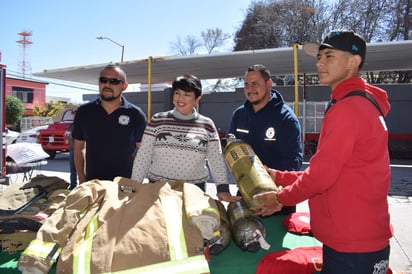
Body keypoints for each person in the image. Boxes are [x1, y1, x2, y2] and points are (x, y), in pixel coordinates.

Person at [251, 30, 392, 273]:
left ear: (353, 62)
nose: (319, 63)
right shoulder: (361, 104)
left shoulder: (348, 109)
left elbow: (321, 177)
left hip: (353, 243)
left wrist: (278, 198)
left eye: (329, 56)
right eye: (319, 57)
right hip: (361, 236)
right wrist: (278, 177)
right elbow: (333, 171)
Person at [131, 74, 240, 203]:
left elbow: (216, 158)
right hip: (158, 191)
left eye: (187, 94)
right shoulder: (157, 120)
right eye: (177, 93)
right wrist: (134, 186)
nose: (180, 98)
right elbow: (144, 155)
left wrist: (223, 189)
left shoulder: (207, 124)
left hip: (193, 193)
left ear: (197, 98)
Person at [227, 64, 303, 215]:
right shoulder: (239, 115)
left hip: (275, 201)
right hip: (245, 196)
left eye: (255, 83)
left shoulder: (285, 118)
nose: (250, 89)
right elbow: (229, 148)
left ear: (269, 84)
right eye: (246, 84)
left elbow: (293, 163)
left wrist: (279, 196)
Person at [72, 64, 147, 183]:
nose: (107, 85)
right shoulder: (84, 112)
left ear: (124, 86)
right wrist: (81, 178)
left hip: (124, 186)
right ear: (99, 82)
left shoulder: (136, 114)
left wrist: (136, 181)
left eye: (114, 81)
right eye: (103, 80)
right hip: (93, 184)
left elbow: (142, 151)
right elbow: (78, 147)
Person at [67, 109, 77, 190]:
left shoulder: (82, 124)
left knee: (83, 169)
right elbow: (69, 134)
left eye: (74, 114)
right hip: (72, 148)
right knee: (72, 169)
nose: (72, 116)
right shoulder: (71, 125)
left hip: (81, 149)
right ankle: (73, 185)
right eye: (72, 114)